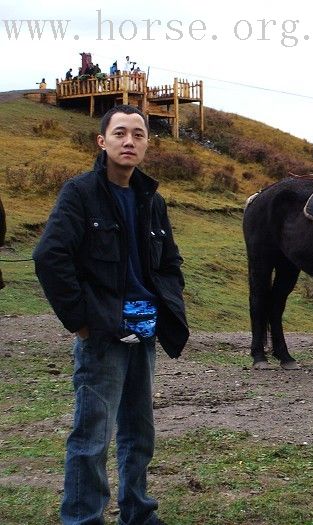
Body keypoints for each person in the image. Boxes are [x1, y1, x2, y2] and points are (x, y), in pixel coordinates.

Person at [33, 104, 189, 525]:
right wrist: (79, 319)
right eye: (120, 133)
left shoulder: (151, 200)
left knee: (139, 432)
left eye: (138, 135)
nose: (129, 141)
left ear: (146, 145)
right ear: (102, 142)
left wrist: (165, 302)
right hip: (102, 334)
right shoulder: (80, 193)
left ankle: (138, 511)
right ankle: (83, 518)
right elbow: (50, 256)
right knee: (92, 436)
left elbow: (170, 262)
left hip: (145, 330)